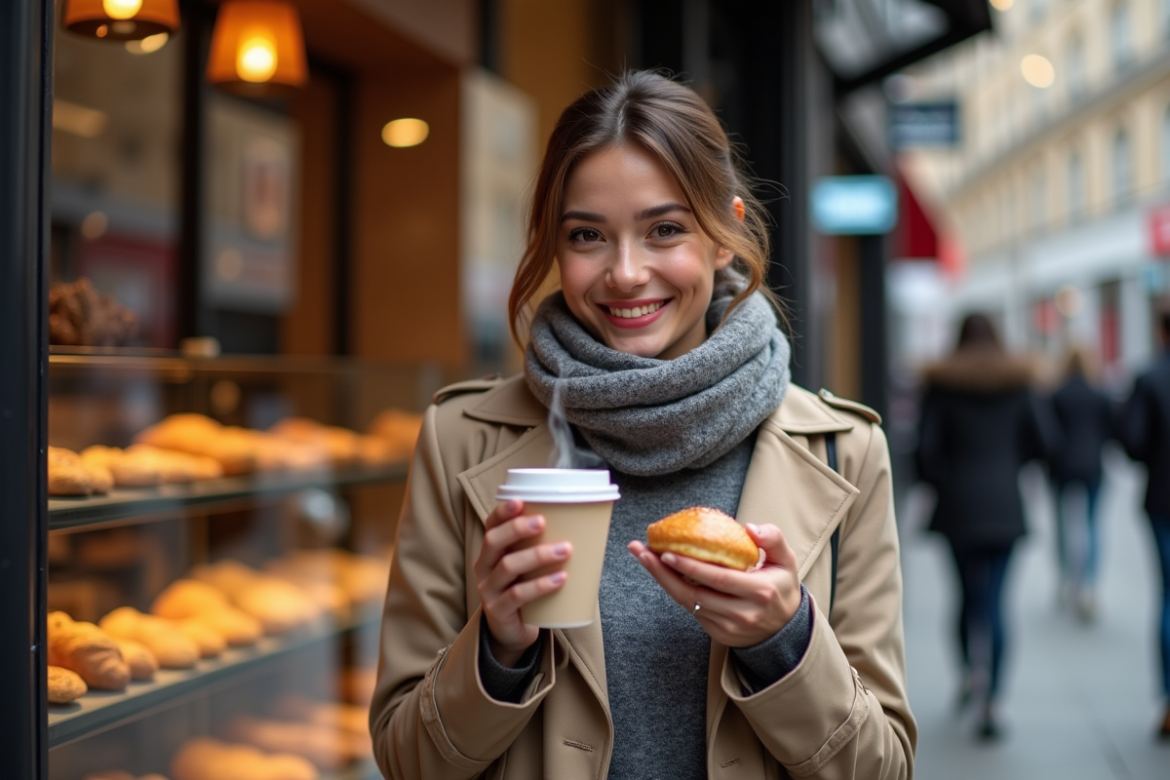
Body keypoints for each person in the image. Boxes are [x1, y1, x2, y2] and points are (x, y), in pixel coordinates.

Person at [368, 71, 915, 779]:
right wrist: (496, 649)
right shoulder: (459, 439)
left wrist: (786, 643)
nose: (626, 273)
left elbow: (884, 768)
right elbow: (405, 759)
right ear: (553, 248)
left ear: (726, 235)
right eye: (588, 235)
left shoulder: (845, 452)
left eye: (665, 230)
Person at [915, 313, 1054, 741]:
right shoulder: (1019, 383)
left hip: (958, 506)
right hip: (1004, 505)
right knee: (996, 601)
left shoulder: (942, 384)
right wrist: (1011, 466)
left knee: (965, 597)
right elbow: (1048, 441)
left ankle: (966, 677)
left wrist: (946, 481)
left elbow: (924, 450)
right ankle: (993, 698)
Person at [1119, 308, 1170, 739]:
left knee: (1169, 595)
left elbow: (1133, 443)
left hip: (1164, 499)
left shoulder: (1150, 378)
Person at [1046, 347, 1117, 622]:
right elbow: (1113, 429)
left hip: (1061, 465)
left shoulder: (1056, 395)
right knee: (1091, 524)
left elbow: (1046, 432)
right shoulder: (1099, 394)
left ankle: (1065, 580)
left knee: (1062, 525)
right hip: (1092, 465)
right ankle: (1089, 585)